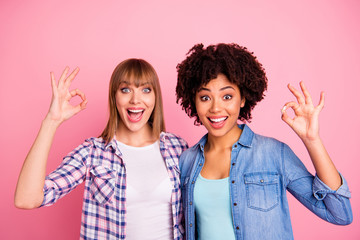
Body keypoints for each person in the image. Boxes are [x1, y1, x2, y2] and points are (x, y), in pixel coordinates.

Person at [175, 43, 352, 240]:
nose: (216, 108)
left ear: (242, 99)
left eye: (227, 96)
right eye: (205, 97)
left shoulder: (274, 153)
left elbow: (340, 214)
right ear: (194, 101)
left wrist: (312, 140)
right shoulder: (187, 161)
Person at [14, 59, 188, 240]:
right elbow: (26, 199)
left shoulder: (177, 148)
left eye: (145, 89)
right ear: (114, 96)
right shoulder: (93, 153)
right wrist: (51, 122)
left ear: (155, 97)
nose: (135, 99)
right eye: (125, 89)